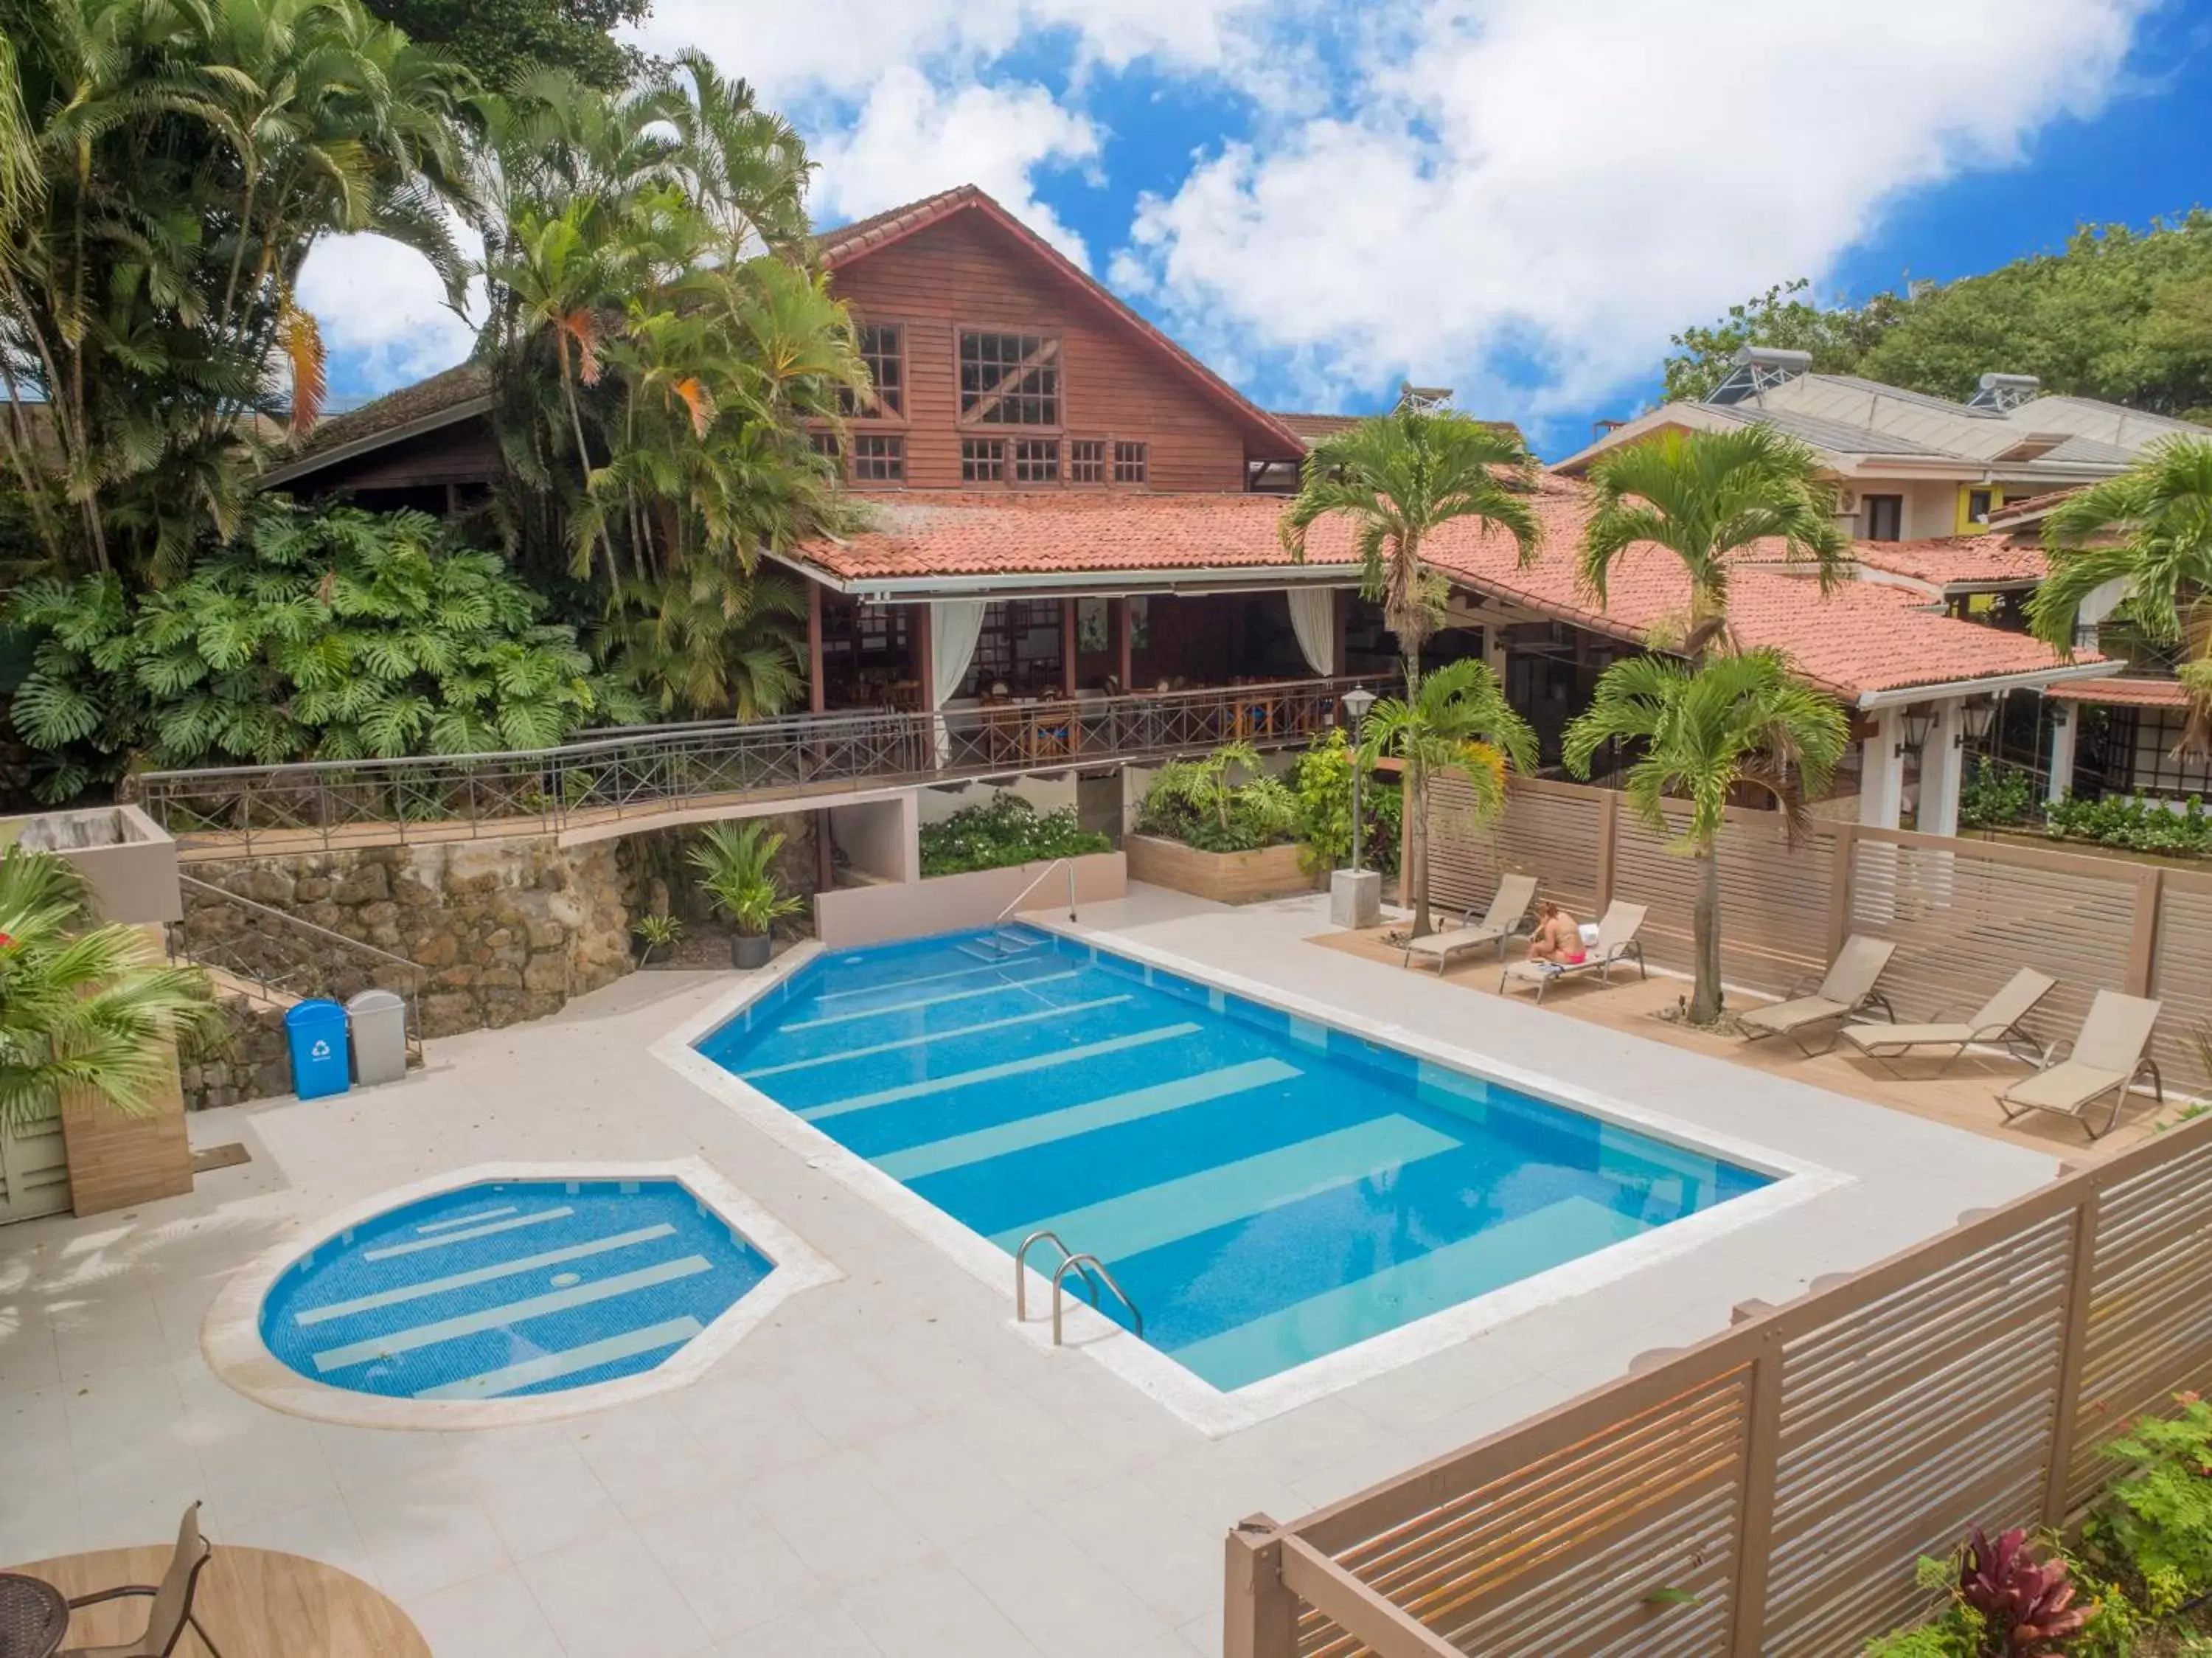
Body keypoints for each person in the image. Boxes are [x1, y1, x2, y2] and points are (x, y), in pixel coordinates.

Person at [1525, 899, 1585, 966]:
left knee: (1537, 949)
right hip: (1582, 956)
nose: (1540, 923)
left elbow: (1549, 947)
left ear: (1544, 916)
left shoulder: (1551, 924)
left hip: (1570, 958)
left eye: (1539, 920)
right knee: (1543, 946)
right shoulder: (1564, 915)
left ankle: (1528, 966)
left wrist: (1536, 946)